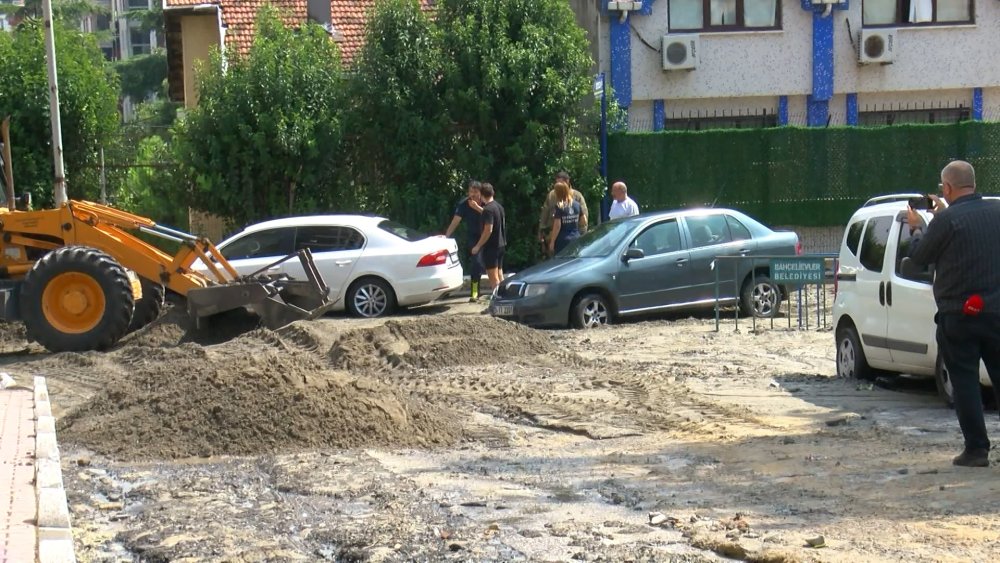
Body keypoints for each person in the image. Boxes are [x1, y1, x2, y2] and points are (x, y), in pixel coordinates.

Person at [906, 160, 1000, 468]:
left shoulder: (946, 221)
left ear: (946, 187)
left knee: (965, 382)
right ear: (973, 184)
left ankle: (977, 450)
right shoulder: (996, 212)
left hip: (959, 314)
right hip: (996, 311)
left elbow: (919, 257)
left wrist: (916, 228)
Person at [443, 180, 485, 301]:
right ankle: (475, 293)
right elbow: (456, 221)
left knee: (493, 265)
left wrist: (477, 208)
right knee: (476, 264)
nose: (473, 194)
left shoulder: (485, 202)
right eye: (471, 191)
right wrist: (446, 236)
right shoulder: (464, 204)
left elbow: (491, 215)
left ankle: (497, 294)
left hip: (488, 236)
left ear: (480, 192)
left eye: (475, 192)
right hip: (474, 237)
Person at [538, 171, 588, 250]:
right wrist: (541, 231)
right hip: (554, 235)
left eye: (560, 183)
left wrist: (582, 236)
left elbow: (584, 221)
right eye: (556, 183)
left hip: (566, 238)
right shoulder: (551, 196)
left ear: (567, 181)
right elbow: (545, 214)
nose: (557, 186)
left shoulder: (577, 196)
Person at [472, 183, 506, 292]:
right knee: (499, 275)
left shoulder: (488, 209)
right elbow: (491, 217)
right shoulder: (498, 207)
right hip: (501, 245)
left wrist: (478, 246)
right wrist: (478, 208)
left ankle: (497, 299)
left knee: (493, 277)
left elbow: (488, 230)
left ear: (481, 195)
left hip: (491, 247)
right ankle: (504, 296)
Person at [548, 181, 582, 256]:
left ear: (558, 193)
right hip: (576, 238)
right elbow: (584, 221)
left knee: (563, 262)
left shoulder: (559, 206)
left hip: (563, 241)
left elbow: (557, 226)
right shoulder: (577, 204)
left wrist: (552, 242)